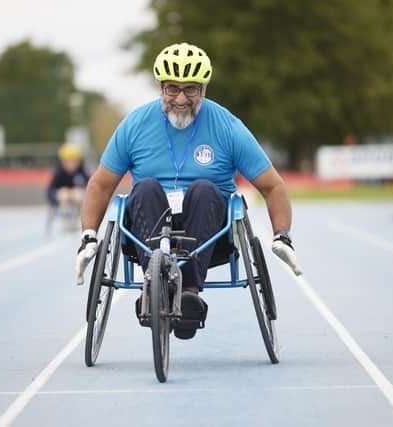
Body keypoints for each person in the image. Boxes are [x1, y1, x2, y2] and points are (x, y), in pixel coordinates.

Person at [75, 42, 301, 339]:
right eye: (172, 89)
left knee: (205, 188)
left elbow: (272, 186)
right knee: (143, 187)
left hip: (211, 231)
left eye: (190, 89)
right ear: (160, 87)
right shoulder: (135, 125)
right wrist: (89, 235)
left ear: (203, 89)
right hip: (148, 226)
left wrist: (282, 235)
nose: (181, 98)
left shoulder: (227, 126)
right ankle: (153, 284)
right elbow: (101, 184)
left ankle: (189, 292)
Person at [47, 143, 89, 221]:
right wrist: (60, 194)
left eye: (73, 161)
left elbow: (89, 187)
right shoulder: (58, 174)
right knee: (64, 194)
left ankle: (80, 218)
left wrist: (76, 192)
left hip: (78, 198)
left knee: (78, 194)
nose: (71, 164)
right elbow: (50, 191)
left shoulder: (82, 173)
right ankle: (66, 218)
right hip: (63, 198)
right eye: (68, 161)